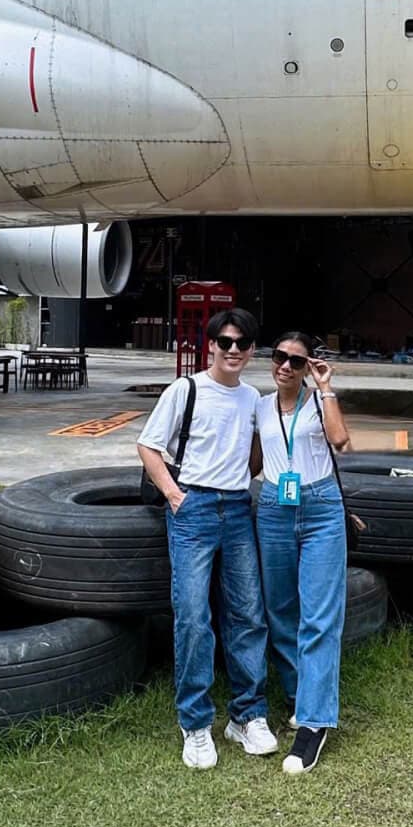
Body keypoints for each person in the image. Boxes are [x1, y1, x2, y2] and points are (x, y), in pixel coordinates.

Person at [136, 308, 277, 770]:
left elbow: (254, 456)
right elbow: (148, 445)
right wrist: (174, 495)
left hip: (237, 508)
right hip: (193, 508)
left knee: (248, 614)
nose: (233, 350)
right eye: (225, 342)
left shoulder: (253, 399)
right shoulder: (187, 389)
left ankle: (248, 715)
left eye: (242, 343)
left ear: (251, 350)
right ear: (211, 345)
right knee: (194, 617)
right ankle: (195, 723)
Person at [251, 331, 350, 775]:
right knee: (281, 610)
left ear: (308, 365)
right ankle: (297, 694)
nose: (286, 367)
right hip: (274, 506)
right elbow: (253, 462)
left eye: (296, 361)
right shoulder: (260, 406)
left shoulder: (318, 401)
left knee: (319, 616)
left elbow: (340, 439)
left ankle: (314, 721)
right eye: (280, 357)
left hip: (321, 507)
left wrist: (325, 387)